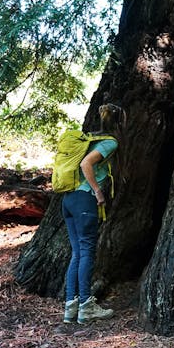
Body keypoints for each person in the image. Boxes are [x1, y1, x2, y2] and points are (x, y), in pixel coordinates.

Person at [62, 103, 126, 324]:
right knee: (87, 252)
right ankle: (86, 306)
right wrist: (98, 192)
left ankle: (71, 307)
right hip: (84, 201)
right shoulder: (110, 142)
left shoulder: (91, 138)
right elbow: (85, 164)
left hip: (68, 200)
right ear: (119, 123)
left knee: (77, 253)